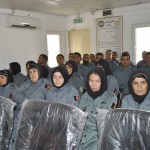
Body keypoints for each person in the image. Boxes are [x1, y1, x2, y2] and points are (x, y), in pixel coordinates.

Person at [78, 68, 117, 150]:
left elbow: (106, 123)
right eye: (91, 81)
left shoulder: (110, 97)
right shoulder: (85, 96)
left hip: (97, 136)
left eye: (97, 81)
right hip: (82, 134)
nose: (94, 84)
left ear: (102, 82)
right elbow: (79, 117)